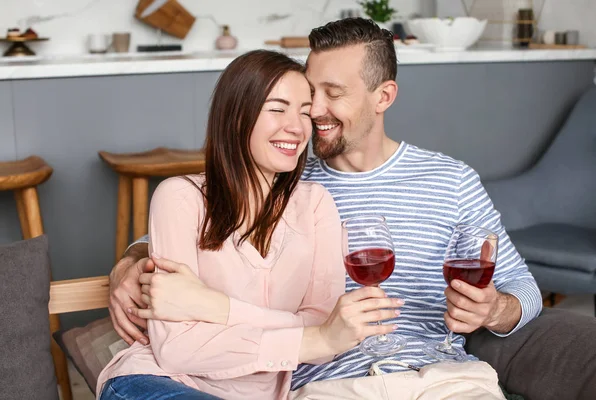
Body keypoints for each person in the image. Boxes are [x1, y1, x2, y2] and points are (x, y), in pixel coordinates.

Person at [108, 19, 542, 398]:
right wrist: (131, 260)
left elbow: (521, 285)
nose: (311, 113)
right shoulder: (288, 177)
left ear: (383, 96)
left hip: (443, 376)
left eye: (331, 94)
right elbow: (208, 223)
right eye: (307, 94)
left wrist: (496, 310)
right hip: (331, 381)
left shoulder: (451, 181)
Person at [96, 49, 401, 400]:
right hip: (159, 381)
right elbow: (176, 349)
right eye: (277, 108)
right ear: (237, 116)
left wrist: (212, 307)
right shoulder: (179, 197)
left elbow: (326, 333)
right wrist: (311, 338)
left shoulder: (316, 204)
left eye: (305, 112)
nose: (297, 126)